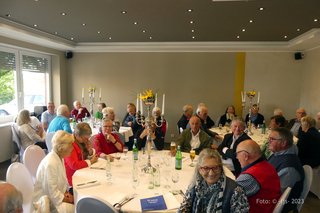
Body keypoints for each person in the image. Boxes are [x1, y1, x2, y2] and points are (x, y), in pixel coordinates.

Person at [178, 149, 249, 213]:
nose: (211, 173)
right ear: (199, 170)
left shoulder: (236, 191)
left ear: (221, 168)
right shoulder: (195, 185)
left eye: (215, 168)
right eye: (206, 168)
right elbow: (184, 208)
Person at [33, 130, 75, 213]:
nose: (72, 148)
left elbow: (62, 180)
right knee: (76, 209)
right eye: (70, 145)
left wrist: (66, 192)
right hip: (46, 204)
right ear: (62, 148)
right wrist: (67, 199)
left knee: (75, 201)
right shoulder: (51, 163)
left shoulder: (59, 156)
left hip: (55, 196)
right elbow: (51, 193)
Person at [236, 140, 281, 213]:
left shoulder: (249, 177)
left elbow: (229, 195)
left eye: (237, 154)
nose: (237, 157)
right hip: (268, 206)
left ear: (245, 156)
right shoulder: (267, 165)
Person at [268, 127, 304, 213]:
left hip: (278, 204)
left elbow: (277, 195)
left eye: (272, 139)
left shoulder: (288, 168)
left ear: (284, 143)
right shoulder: (279, 153)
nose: (269, 141)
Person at [64, 123, 98, 188]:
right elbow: (74, 165)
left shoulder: (80, 141)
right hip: (73, 178)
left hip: (81, 172)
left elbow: (83, 157)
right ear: (77, 135)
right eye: (85, 138)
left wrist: (90, 152)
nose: (87, 140)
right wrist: (90, 161)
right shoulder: (70, 144)